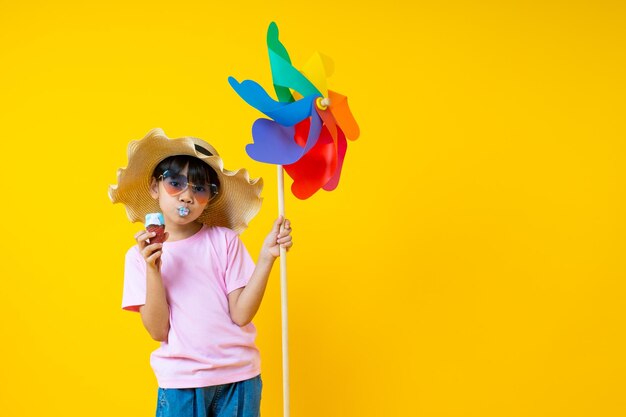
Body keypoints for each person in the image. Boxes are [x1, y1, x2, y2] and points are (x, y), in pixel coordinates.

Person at [109, 128, 293, 417]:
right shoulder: (138, 256)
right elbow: (157, 330)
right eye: (175, 183)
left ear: (209, 197)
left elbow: (241, 314)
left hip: (239, 377)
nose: (186, 196)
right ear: (155, 188)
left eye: (199, 188)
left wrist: (267, 257)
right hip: (181, 382)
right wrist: (153, 269)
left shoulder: (224, 241)